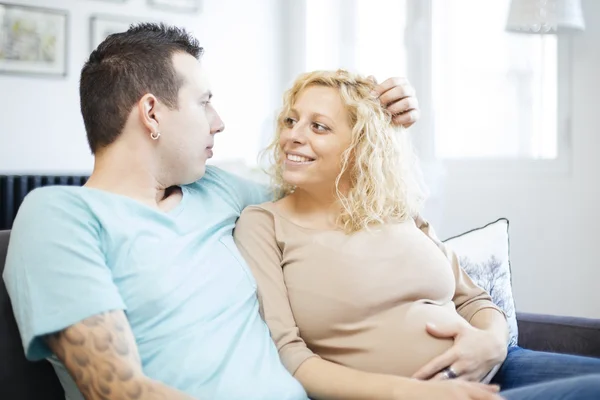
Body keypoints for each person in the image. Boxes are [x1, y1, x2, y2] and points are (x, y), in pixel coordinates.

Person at [2, 23, 427, 400]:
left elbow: (342, 193)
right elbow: (118, 390)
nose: (218, 121)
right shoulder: (59, 216)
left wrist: (383, 124)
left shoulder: (218, 190)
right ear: (152, 113)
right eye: (203, 102)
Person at [232, 69, 600, 400]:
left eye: (318, 126)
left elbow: (472, 299)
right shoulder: (264, 224)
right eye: (290, 121)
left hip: (503, 364)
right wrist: (412, 393)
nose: (292, 136)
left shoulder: (393, 208)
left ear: (359, 146)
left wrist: (491, 342)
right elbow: (290, 356)